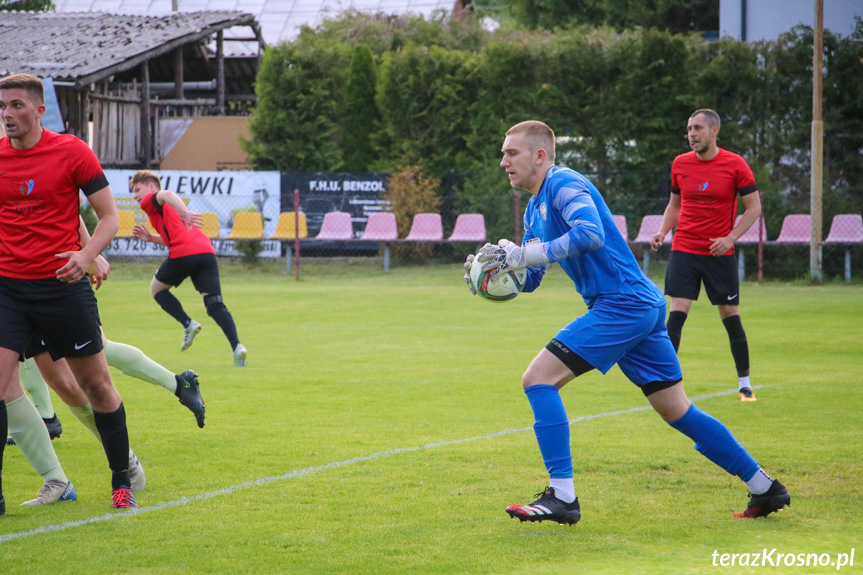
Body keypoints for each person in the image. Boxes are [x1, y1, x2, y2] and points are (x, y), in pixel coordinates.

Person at [463, 120, 789, 525]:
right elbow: (531, 279)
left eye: (511, 153)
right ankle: (764, 486)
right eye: (503, 153)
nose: (503, 161)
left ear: (540, 155)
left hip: (623, 304)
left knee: (538, 379)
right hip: (638, 305)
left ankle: (562, 496)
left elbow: (590, 235)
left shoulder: (564, 184)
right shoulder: (534, 208)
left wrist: (525, 255)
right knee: (677, 410)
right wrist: (493, 273)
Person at [0, 73, 136, 511]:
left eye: (17, 106)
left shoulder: (72, 151)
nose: (7, 115)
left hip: (62, 288)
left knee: (94, 384)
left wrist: (86, 255)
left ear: (39, 111)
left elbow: (110, 218)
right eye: (2, 107)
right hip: (8, 289)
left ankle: (121, 480)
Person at [651, 109, 761, 402]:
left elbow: (754, 208)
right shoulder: (680, 164)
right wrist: (663, 231)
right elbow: (674, 205)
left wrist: (730, 238)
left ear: (714, 131)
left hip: (719, 253)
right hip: (684, 249)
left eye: (698, 128)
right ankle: (663, 382)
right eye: (689, 129)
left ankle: (745, 384)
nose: (692, 134)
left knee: (730, 315)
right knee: (676, 313)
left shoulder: (735, 164)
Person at [129, 170, 247, 367]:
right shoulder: (168, 208)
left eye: (137, 190)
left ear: (151, 187)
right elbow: (170, 239)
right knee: (215, 304)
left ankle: (188, 324)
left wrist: (185, 212)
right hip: (205, 252)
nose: (135, 196)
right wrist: (151, 238)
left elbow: (166, 194)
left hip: (184, 254)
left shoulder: (152, 200)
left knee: (156, 289)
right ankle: (237, 347)